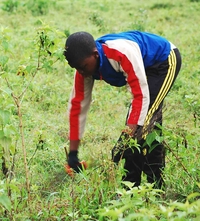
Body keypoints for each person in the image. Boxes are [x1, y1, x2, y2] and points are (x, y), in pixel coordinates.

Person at [64, 30, 181, 189]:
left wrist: (124, 140)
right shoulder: (83, 69)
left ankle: (154, 186)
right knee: (139, 125)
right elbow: (77, 108)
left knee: (144, 124)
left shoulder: (120, 53)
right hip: (142, 68)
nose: (82, 72)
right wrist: (73, 154)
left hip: (164, 60)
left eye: (83, 67)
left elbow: (140, 96)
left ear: (95, 54)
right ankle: (132, 188)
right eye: (77, 68)